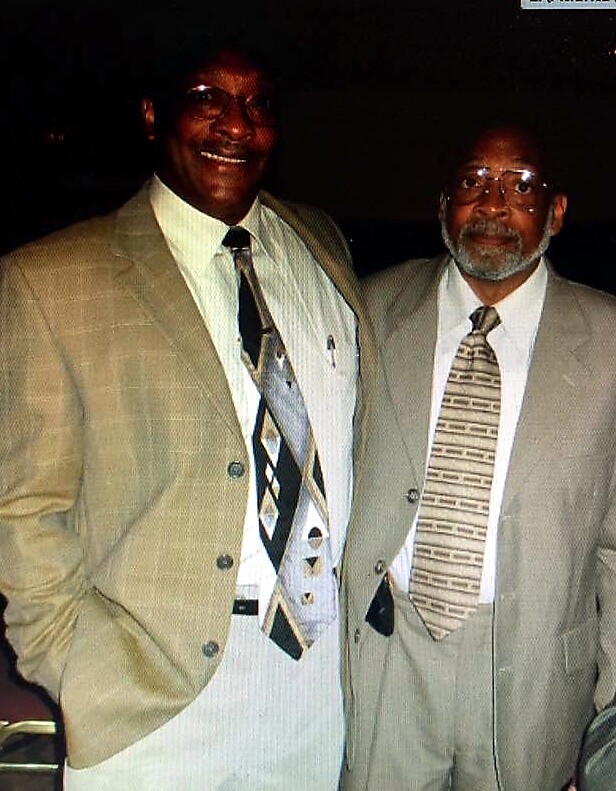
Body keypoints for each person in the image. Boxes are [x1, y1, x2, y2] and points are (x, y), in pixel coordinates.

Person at [0, 38, 375, 789]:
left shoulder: (320, 245)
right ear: (153, 114)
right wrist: (77, 666)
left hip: (317, 685)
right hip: (150, 699)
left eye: (257, 104)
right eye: (207, 98)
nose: (236, 125)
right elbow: (24, 510)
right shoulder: (51, 282)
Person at [341, 124, 616, 791]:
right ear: (444, 206)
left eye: (520, 185)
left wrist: (609, 709)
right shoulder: (368, 310)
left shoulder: (609, 341)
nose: (493, 204)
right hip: (390, 655)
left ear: (555, 211)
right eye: (473, 182)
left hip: (536, 676)